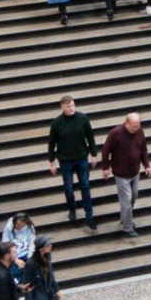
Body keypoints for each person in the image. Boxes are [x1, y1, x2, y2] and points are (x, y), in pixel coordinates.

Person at [44, 95, 97, 231]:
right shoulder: (57, 123)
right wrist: (51, 162)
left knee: (85, 186)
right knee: (68, 187)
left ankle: (89, 217)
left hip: (82, 158)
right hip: (65, 160)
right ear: (62, 107)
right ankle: (72, 208)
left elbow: (90, 137)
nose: (71, 108)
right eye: (68, 106)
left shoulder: (83, 118)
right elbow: (51, 143)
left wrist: (94, 154)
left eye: (73, 105)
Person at [101, 113, 151, 238]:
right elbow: (105, 150)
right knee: (126, 200)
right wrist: (105, 168)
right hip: (121, 173)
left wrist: (147, 165)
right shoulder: (115, 133)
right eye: (134, 126)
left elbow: (143, 149)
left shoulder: (140, 132)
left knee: (134, 196)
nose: (136, 128)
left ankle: (125, 218)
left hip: (134, 171)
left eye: (138, 125)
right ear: (126, 123)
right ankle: (127, 227)